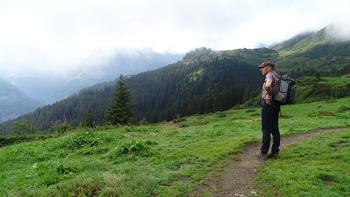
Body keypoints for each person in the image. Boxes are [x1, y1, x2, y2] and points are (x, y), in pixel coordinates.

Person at [257, 60, 281, 159]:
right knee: (274, 128)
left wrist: (269, 95)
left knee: (266, 128)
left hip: (268, 104)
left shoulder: (269, 75)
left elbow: (267, 85)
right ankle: (275, 152)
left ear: (268, 67)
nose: (261, 70)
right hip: (276, 104)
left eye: (262, 67)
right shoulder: (277, 75)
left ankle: (263, 152)